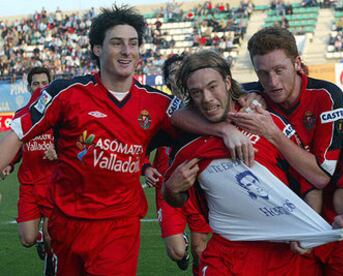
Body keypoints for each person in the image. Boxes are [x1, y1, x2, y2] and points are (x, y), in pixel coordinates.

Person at [0, 6, 253, 275]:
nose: (127, 51)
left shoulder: (156, 102)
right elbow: (17, 133)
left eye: (133, 44)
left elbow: (192, 116)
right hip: (66, 223)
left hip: (118, 227)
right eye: (117, 43)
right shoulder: (66, 93)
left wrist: (226, 128)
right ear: (97, 48)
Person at [163, 50, 343, 276]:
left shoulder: (265, 121)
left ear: (227, 82)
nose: (207, 98)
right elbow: (177, 196)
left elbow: (308, 183)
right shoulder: (187, 141)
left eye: (212, 87)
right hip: (229, 254)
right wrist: (172, 189)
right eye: (196, 92)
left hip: (284, 253)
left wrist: (307, 230)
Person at [229, 27, 343, 275]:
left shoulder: (326, 96)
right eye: (263, 74)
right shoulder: (250, 95)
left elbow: (321, 176)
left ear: (297, 63)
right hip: (285, 225)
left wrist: (273, 133)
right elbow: (182, 110)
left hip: (336, 219)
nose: (273, 83)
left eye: (279, 70)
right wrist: (227, 129)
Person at [143, 54, 211, 275]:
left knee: (202, 249)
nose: (178, 75)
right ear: (168, 81)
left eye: (183, 70)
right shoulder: (160, 111)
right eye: (173, 73)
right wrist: (146, 166)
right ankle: (183, 253)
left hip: (199, 189)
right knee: (177, 251)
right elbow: (140, 144)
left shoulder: (207, 108)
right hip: (168, 187)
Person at [1, 66, 57, 275]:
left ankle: (51, 268)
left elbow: (76, 145)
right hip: (30, 186)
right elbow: (16, 146)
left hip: (54, 185)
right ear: (28, 87)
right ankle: (40, 240)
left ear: (50, 85)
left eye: (45, 83)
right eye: (36, 84)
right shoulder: (21, 115)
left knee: (54, 239)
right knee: (27, 239)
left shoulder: (59, 112)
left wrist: (58, 151)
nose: (41, 88)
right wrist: (9, 163)